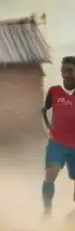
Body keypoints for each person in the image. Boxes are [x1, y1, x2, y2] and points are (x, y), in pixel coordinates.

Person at [41, 56, 75, 216]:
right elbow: (44, 110)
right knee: (50, 174)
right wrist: (49, 128)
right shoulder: (54, 91)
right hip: (57, 143)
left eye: (70, 70)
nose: (66, 74)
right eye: (64, 70)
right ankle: (47, 213)